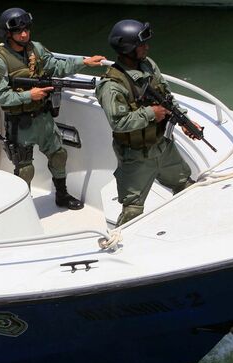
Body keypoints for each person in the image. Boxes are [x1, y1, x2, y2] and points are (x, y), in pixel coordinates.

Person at [0, 7, 105, 210]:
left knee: (58, 155)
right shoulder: (0, 60)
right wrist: (28, 95)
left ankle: (61, 194)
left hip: (43, 117)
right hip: (19, 123)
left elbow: (56, 65)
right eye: (18, 31)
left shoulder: (36, 49)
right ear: (8, 34)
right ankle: (23, 208)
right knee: (25, 168)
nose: (24, 34)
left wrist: (84, 62)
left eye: (26, 29)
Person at [96, 20, 200, 226]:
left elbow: (167, 96)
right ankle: (121, 245)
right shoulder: (111, 86)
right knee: (132, 211)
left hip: (163, 146)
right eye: (141, 44)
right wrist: (151, 113)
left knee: (186, 187)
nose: (147, 47)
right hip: (136, 157)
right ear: (127, 48)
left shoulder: (148, 65)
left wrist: (186, 121)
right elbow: (118, 123)